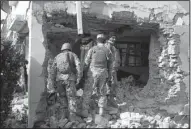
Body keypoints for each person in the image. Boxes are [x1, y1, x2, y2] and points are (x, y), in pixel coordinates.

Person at [47, 43, 82, 121]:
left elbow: (52, 71)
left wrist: (52, 83)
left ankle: (63, 116)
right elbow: (78, 66)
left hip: (59, 80)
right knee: (72, 98)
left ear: (62, 49)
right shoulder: (73, 55)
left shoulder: (57, 57)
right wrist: (79, 77)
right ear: (69, 48)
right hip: (70, 79)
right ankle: (72, 117)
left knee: (62, 97)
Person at [82, 34, 113, 116]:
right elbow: (110, 65)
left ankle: (85, 110)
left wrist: (84, 72)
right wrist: (109, 75)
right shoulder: (108, 50)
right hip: (103, 72)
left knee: (88, 90)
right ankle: (101, 110)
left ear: (97, 40)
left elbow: (86, 62)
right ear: (105, 41)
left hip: (93, 72)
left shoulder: (92, 49)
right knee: (102, 91)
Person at [105, 35, 121, 107]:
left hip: (113, 69)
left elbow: (116, 59)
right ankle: (107, 101)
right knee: (108, 85)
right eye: (112, 37)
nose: (114, 39)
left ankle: (111, 99)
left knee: (114, 84)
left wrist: (117, 66)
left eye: (114, 38)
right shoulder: (105, 47)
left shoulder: (114, 48)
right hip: (107, 69)